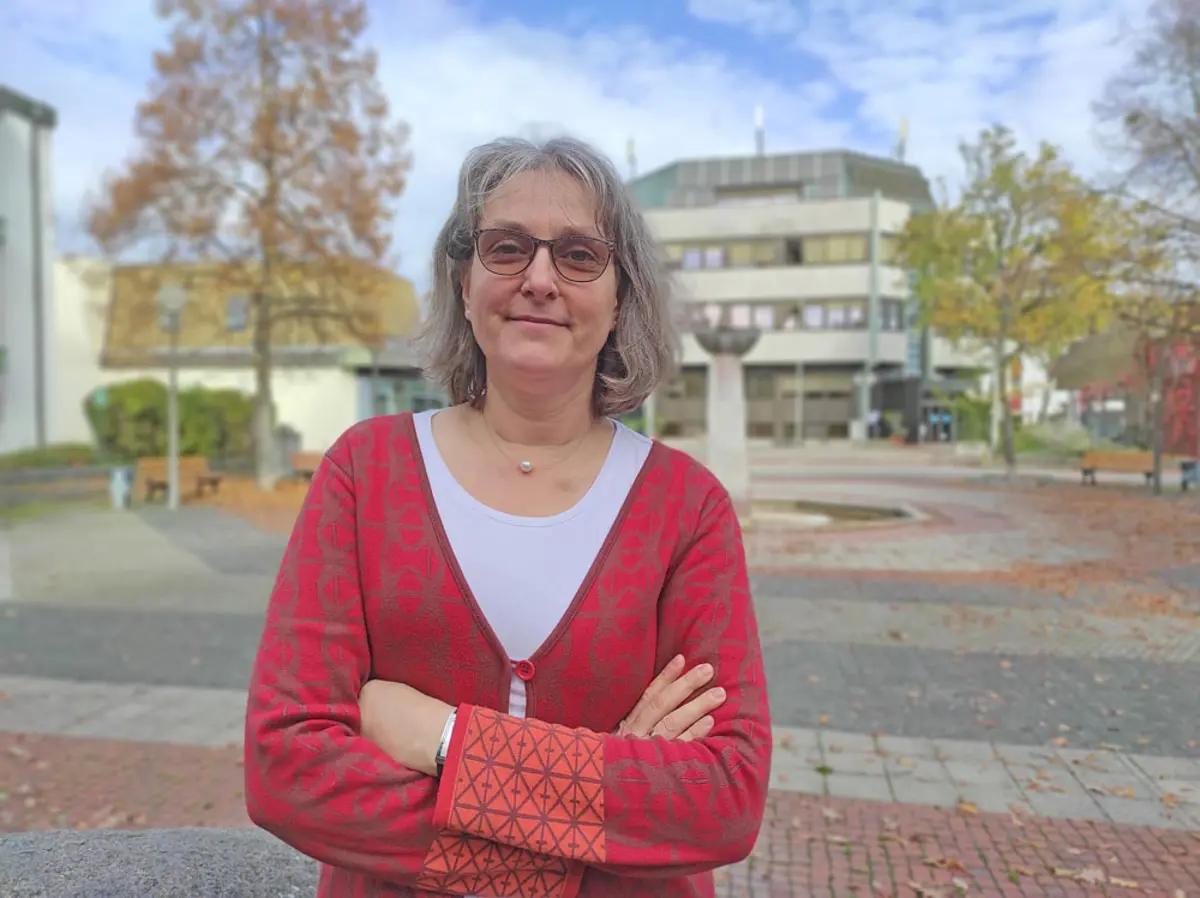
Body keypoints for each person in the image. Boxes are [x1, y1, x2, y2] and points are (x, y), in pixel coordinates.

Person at [243, 135, 772, 898]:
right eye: (507, 247)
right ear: (464, 283)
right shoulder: (364, 472)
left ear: (621, 298)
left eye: (580, 255)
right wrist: (595, 812)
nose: (540, 279)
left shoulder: (686, 507)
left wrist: (443, 738)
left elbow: (724, 797)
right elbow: (287, 768)